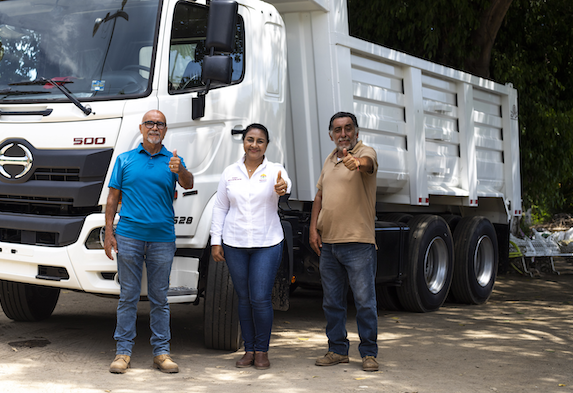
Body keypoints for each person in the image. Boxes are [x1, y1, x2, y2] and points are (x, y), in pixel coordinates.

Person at [104, 109, 194, 374]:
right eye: (150, 123)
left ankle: (161, 354)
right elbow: (112, 199)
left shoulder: (173, 161)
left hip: (162, 239)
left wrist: (181, 169)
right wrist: (109, 233)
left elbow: (188, 184)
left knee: (159, 298)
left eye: (160, 124)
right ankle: (123, 353)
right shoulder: (125, 159)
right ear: (141, 128)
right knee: (128, 297)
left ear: (165, 130)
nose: (155, 127)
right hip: (129, 236)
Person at [210, 123, 291, 370]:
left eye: (260, 141)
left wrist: (283, 188)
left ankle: (262, 351)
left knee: (260, 298)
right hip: (234, 243)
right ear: (243, 142)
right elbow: (220, 207)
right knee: (244, 298)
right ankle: (249, 350)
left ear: (267, 145)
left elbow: (285, 185)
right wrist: (215, 241)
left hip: (267, 242)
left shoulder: (275, 170)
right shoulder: (230, 172)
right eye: (250, 140)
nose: (254, 145)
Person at [309, 111, 380, 372]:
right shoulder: (329, 160)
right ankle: (337, 350)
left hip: (358, 243)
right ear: (331, 135)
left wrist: (357, 163)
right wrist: (313, 229)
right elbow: (319, 196)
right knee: (332, 302)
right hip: (329, 244)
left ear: (356, 132)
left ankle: (369, 353)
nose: (343, 134)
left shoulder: (365, 152)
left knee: (364, 302)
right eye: (337, 130)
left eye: (348, 128)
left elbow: (368, 164)